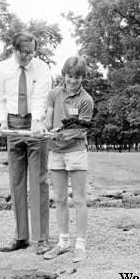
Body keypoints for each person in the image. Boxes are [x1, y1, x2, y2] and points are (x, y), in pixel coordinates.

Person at [0, 31, 52, 255]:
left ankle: (41, 239)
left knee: (38, 182)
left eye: (32, 52)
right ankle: (21, 237)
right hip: (12, 125)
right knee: (16, 182)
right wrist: (2, 122)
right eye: (25, 53)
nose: (29, 56)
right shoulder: (3, 68)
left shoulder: (42, 68)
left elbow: (41, 97)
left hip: (35, 125)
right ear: (14, 50)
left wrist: (37, 121)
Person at [41, 56, 94, 263]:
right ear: (64, 74)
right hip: (56, 151)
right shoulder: (54, 94)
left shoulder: (86, 100)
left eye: (78, 77)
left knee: (79, 199)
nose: (73, 81)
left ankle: (80, 244)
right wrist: (41, 128)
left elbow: (81, 131)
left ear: (82, 78)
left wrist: (60, 133)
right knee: (60, 198)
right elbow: (48, 119)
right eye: (70, 76)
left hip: (76, 151)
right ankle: (63, 242)